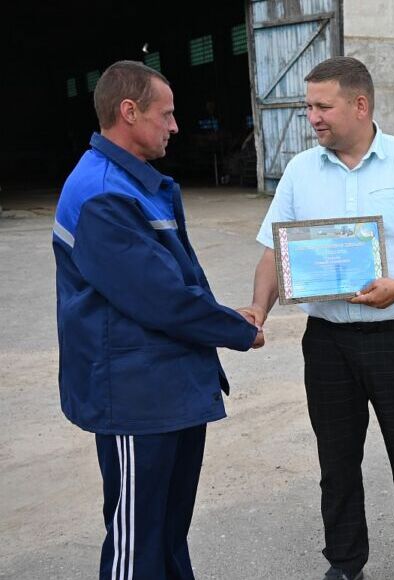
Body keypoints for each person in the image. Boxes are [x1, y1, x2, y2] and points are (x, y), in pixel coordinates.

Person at [241, 56, 394, 580]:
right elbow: (275, 251)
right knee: (337, 458)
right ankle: (345, 563)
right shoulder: (300, 171)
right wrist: (258, 309)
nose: (312, 117)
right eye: (308, 107)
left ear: (360, 105)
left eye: (322, 106)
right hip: (328, 341)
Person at [52, 60, 264, 580]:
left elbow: (172, 279)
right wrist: (238, 329)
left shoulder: (136, 183)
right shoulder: (103, 193)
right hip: (135, 397)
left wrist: (221, 315)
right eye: (165, 115)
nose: (175, 126)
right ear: (129, 112)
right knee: (137, 544)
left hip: (166, 388)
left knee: (167, 533)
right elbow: (161, 298)